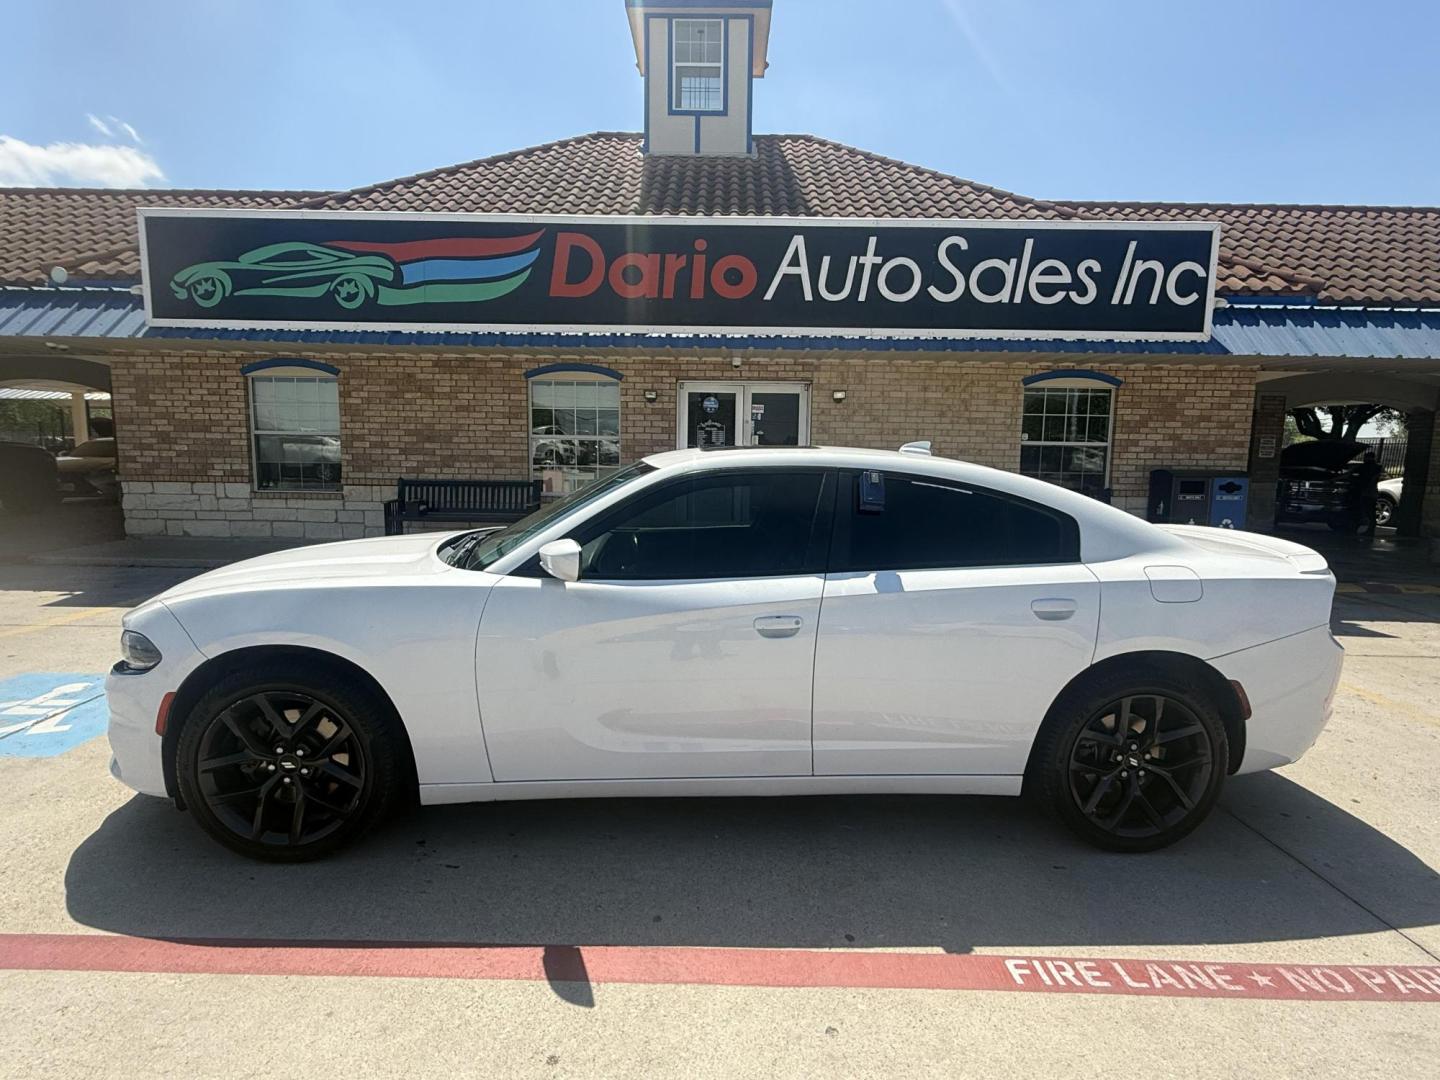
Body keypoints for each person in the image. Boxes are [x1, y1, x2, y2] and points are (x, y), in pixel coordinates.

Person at [1354, 450, 1385, 537]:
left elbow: (1350, 473)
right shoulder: (1377, 467)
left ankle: (1367, 529)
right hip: (1373, 491)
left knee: (1366, 510)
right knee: (1371, 511)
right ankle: (1371, 529)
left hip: (1366, 491)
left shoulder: (1364, 467)